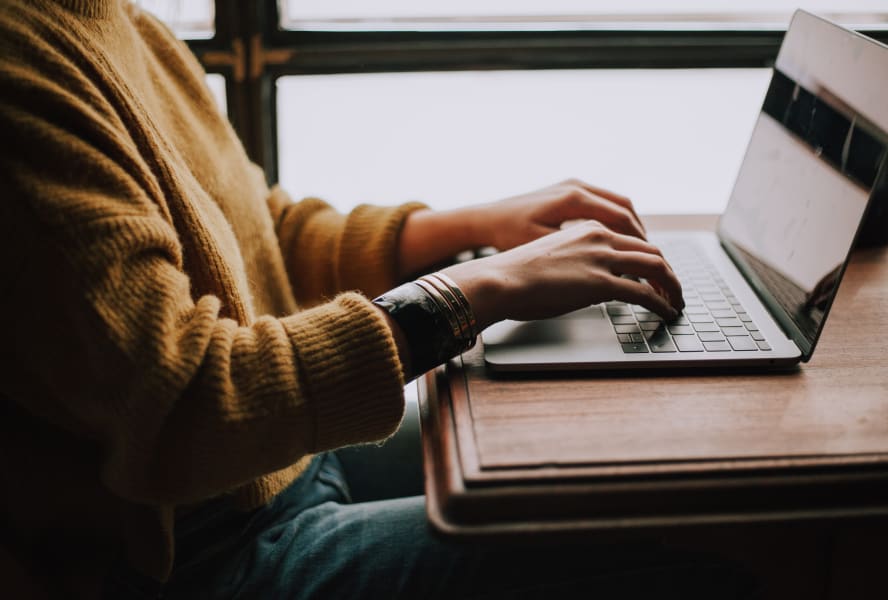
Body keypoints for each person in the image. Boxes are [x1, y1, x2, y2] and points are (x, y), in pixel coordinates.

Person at [0, 1, 756, 598]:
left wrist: (472, 226)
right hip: (194, 557)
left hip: (278, 464)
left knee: (629, 467)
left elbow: (259, 230)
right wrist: (471, 292)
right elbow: (189, 404)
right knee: (683, 546)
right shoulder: (21, 68)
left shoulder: (116, 20)